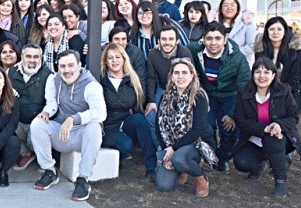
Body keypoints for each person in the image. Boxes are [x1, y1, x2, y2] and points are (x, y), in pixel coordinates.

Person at [30, 50, 105, 201]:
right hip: (61, 133)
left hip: (81, 135)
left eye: (71, 65)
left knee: (95, 126)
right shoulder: (54, 79)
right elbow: (51, 103)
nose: (67, 70)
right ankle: (50, 171)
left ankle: (83, 179)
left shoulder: (91, 85)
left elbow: (100, 112)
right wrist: (46, 112)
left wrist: (74, 119)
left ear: (80, 65)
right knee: (37, 123)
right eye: (62, 66)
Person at [233, 58, 301, 197]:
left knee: (271, 139)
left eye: (266, 72)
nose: (262, 76)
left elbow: (293, 117)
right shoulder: (244, 93)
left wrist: (278, 125)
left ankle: (280, 180)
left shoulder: (284, 91)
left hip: (281, 137)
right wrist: (264, 128)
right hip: (255, 138)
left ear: (273, 75)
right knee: (241, 162)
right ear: (253, 74)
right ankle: (264, 163)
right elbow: (240, 120)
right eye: (258, 72)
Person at [189, 21, 251, 172]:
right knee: (206, 126)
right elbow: (178, 52)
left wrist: (232, 114)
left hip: (231, 96)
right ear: (203, 39)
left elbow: (245, 88)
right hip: (207, 95)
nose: (213, 43)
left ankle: (223, 158)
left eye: (217, 38)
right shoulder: (195, 51)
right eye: (209, 38)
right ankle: (210, 156)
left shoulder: (238, 58)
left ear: (225, 39)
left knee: (228, 129)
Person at [155, 58, 217, 197]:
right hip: (171, 144)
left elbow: (197, 130)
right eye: (176, 73)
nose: (180, 76)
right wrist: (166, 149)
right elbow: (158, 127)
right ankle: (182, 168)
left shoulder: (199, 96)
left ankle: (201, 178)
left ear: (192, 76)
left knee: (179, 159)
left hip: (197, 143)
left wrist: (173, 149)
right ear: (171, 76)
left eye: (184, 72)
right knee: (163, 186)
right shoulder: (165, 96)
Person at [100, 44, 157, 178]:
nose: (114, 61)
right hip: (108, 126)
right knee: (126, 145)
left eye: (117, 57)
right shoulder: (101, 81)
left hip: (126, 122)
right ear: (105, 61)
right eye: (110, 58)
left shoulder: (132, 80)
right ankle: (119, 155)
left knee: (140, 119)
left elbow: (137, 106)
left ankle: (151, 167)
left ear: (124, 59)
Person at [8, 44, 52, 171]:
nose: (32, 60)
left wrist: (46, 111)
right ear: (22, 57)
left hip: (37, 123)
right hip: (18, 122)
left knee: (38, 134)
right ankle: (26, 153)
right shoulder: (10, 72)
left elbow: (52, 101)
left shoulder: (49, 75)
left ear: (41, 58)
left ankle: (41, 156)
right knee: (0, 126)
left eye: (36, 57)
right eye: (28, 56)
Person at [254, 16, 301, 109]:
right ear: (266, 31)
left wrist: (282, 93)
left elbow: (297, 75)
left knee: (285, 122)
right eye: (271, 29)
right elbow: (259, 71)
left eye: (279, 29)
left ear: (285, 31)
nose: (275, 32)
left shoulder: (294, 49)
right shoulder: (261, 48)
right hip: (265, 92)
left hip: (290, 93)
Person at [218, 0, 256, 66]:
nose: (229, 8)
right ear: (220, 8)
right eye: (225, 5)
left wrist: (232, 51)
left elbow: (252, 46)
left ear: (238, 8)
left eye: (232, 5)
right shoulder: (214, 23)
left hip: (240, 65)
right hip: (218, 65)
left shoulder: (246, 23)